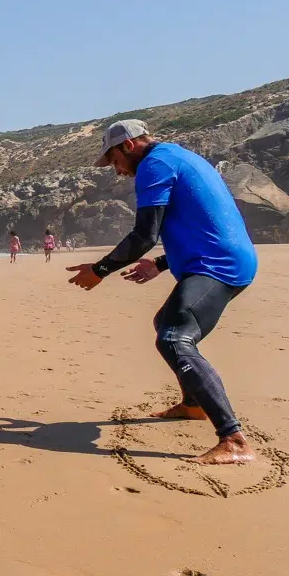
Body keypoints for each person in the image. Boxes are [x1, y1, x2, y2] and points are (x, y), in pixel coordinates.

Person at [67, 120, 258, 465]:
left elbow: (144, 234)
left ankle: (234, 440)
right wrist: (161, 264)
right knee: (165, 323)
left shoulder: (155, 164)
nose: (116, 170)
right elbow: (202, 223)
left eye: (113, 161)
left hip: (219, 266)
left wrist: (99, 271)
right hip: (218, 258)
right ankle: (193, 405)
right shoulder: (179, 157)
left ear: (127, 145)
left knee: (174, 338)